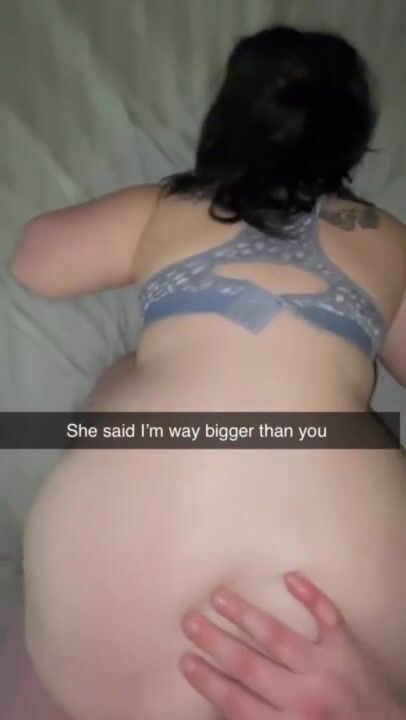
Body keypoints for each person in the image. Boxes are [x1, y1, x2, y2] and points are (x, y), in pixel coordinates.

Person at [8, 23, 406, 720]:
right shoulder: (384, 237)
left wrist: (151, 217)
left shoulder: (171, 207)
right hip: (354, 615)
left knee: (126, 378)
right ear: (351, 142)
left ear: (225, 121)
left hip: (112, 606)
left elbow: (35, 263)